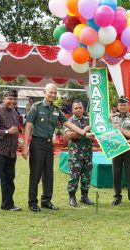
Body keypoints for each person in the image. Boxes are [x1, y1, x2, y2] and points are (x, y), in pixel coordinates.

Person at [22, 83, 94, 213]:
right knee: (36, 174)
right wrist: (25, 147)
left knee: (48, 174)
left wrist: (84, 133)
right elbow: (28, 126)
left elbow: (68, 124)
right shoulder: (36, 107)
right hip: (37, 143)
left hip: (49, 144)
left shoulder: (56, 110)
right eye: (51, 92)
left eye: (55, 93)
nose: (53, 95)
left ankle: (46, 201)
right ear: (45, 92)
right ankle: (32, 202)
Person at [110, 96, 130, 208]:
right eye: (120, 105)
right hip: (116, 148)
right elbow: (109, 132)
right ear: (117, 106)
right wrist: (127, 132)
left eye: (124, 105)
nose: (122, 107)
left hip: (129, 148)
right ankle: (117, 197)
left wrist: (120, 130)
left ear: (129, 106)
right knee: (116, 173)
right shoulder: (112, 118)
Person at [64, 100, 94, 207]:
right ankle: (72, 197)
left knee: (87, 176)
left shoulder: (90, 120)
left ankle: (84, 197)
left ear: (83, 109)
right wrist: (84, 130)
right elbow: (70, 136)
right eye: (76, 108)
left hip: (88, 153)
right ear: (72, 110)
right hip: (75, 155)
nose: (78, 110)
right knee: (74, 177)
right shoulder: (69, 121)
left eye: (80, 108)